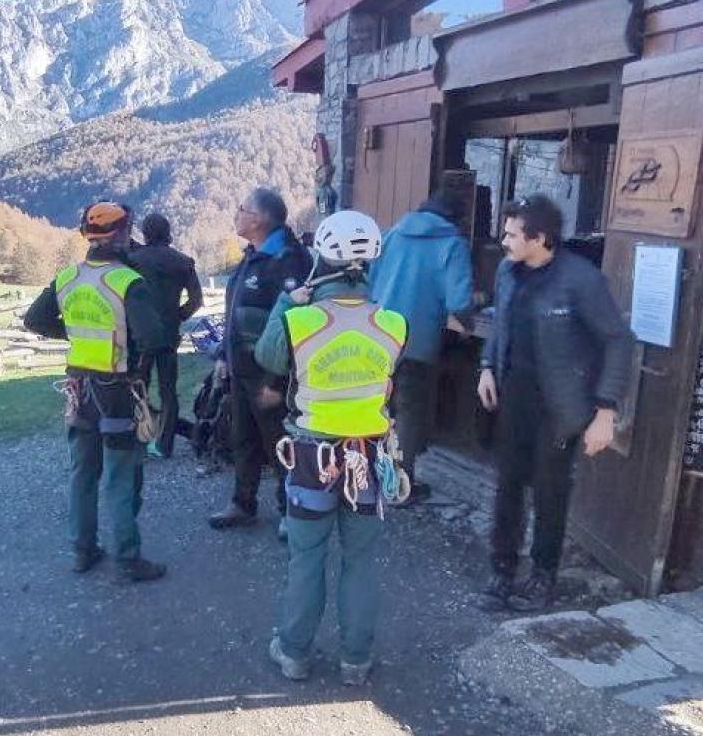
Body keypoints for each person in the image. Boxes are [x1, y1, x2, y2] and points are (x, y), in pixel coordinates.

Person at [254, 210, 407, 686]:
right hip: (368, 456)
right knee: (360, 559)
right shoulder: (394, 324)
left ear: (321, 255)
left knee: (308, 557)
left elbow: (267, 356)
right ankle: (356, 660)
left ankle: (296, 652)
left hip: (311, 457)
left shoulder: (299, 320)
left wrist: (287, 301)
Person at [478, 195, 633, 612]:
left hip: (561, 408)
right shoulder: (508, 273)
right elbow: (500, 323)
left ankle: (543, 577)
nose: (504, 240)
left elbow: (618, 341)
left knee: (550, 493)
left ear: (539, 238)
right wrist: (487, 365)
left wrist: (605, 410)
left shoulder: (580, 280)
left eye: (512, 234)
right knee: (507, 487)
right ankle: (502, 570)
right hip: (515, 400)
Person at [23, 201, 170, 583]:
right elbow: (154, 336)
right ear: (121, 234)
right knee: (122, 475)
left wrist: (72, 334)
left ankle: (82, 551)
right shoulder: (127, 282)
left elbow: (34, 320)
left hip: (79, 387)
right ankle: (127, 558)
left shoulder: (68, 277)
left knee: (82, 472)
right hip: (117, 388)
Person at [209, 188, 311, 529]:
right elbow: (236, 311)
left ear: (259, 219)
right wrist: (224, 356)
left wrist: (278, 382)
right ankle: (243, 503)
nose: (236, 214)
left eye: (242, 208)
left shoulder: (288, 259)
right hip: (241, 371)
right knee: (243, 438)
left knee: (279, 443)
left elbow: (296, 324)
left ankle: (289, 510)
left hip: (269, 376)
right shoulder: (252, 255)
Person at [369, 189, 475, 504]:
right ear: (456, 218)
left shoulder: (392, 235)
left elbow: (370, 282)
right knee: (410, 414)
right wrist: (469, 323)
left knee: (378, 409)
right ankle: (400, 487)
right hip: (417, 341)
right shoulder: (453, 244)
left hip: (378, 337)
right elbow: (459, 301)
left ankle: (371, 477)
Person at [127, 213, 204, 458]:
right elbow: (196, 300)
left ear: (145, 233)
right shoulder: (183, 262)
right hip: (169, 335)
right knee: (168, 391)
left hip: (140, 335)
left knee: (138, 388)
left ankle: (140, 438)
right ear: (168, 231)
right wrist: (177, 317)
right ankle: (165, 444)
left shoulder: (132, 261)